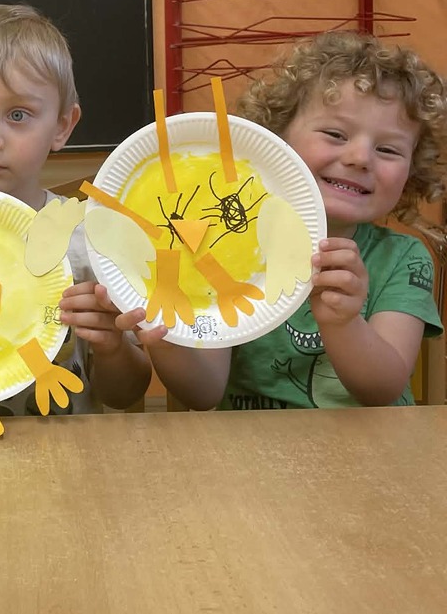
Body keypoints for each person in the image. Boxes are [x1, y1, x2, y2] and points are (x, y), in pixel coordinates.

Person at [130, 32, 447, 410]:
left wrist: (344, 323)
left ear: (412, 171)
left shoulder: (404, 258)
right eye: (335, 134)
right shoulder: (225, 247)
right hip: (251, 445)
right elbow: (204, 393)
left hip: (371, 445)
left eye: (389, 149)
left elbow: (383, 390)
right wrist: (167, 340)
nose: (361, 158)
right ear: (276, 139)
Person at [0, 3, 151, 420]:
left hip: (67, 453)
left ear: (62, 126)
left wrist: (111, 345)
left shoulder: (89, 242)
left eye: (18, 115)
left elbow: (125, 394)